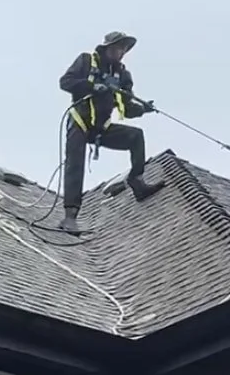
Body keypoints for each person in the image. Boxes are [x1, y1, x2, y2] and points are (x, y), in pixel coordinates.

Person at [58, 31, 164, 232]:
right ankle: (70, 217)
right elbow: (65, 82)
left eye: (124, 49)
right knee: (75, 162)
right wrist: (92, 86)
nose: (121, 52)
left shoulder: (123, 75)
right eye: (118, 48)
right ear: (107, 48)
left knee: (135, 137)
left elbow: (128, 108)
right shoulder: (86, 61)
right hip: (80, 121)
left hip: (102, 127)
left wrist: (143, 109)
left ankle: (137, 181)